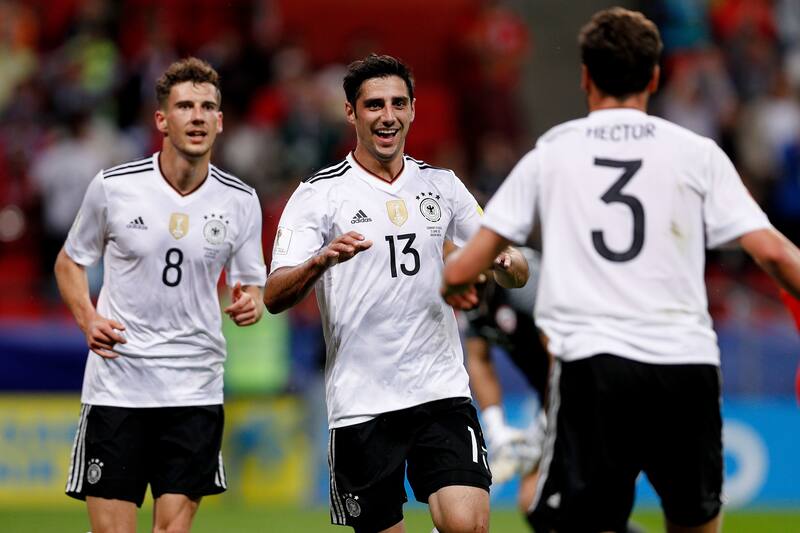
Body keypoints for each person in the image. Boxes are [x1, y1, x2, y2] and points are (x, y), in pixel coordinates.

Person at [442, 8, 800, 533]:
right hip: (686, 364)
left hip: (595, 367)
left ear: (585, 76)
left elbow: (471, 261)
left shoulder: (553, 153)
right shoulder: (697, 154)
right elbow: (772, 252)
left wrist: (456, 282)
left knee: (572, 521)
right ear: (655, 77)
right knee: (696, 523)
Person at [263, 54, 528, 533]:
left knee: (469, 524)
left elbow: (518, 270)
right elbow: (274, 295)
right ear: (351, 113)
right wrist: (318, 262)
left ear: (412, 110)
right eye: (374, 105)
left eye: (398, 104)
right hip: (362, 401)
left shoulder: (442, 186)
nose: (387, 115)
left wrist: (502, 263)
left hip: (440, 389)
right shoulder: (319, 195)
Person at [56, 57, 266, 533]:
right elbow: (69, 261)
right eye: (185, 106)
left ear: (220, 120)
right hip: (119, 384)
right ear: (161, 120)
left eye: (207, 107)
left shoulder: (240, 200)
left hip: (194, 386)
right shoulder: (115, 187)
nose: (197, 116)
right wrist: (88, 319)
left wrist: (251, 299)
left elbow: (251, 279)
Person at [461, 247, 548, 516]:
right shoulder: (464, 291)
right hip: (552, 396)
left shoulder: (524, 284)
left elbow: (563, 354)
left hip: (587, 389)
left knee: (584, 502)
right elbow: (479, 359)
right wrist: (496, 428)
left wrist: (543, 425)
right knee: (534, 503)